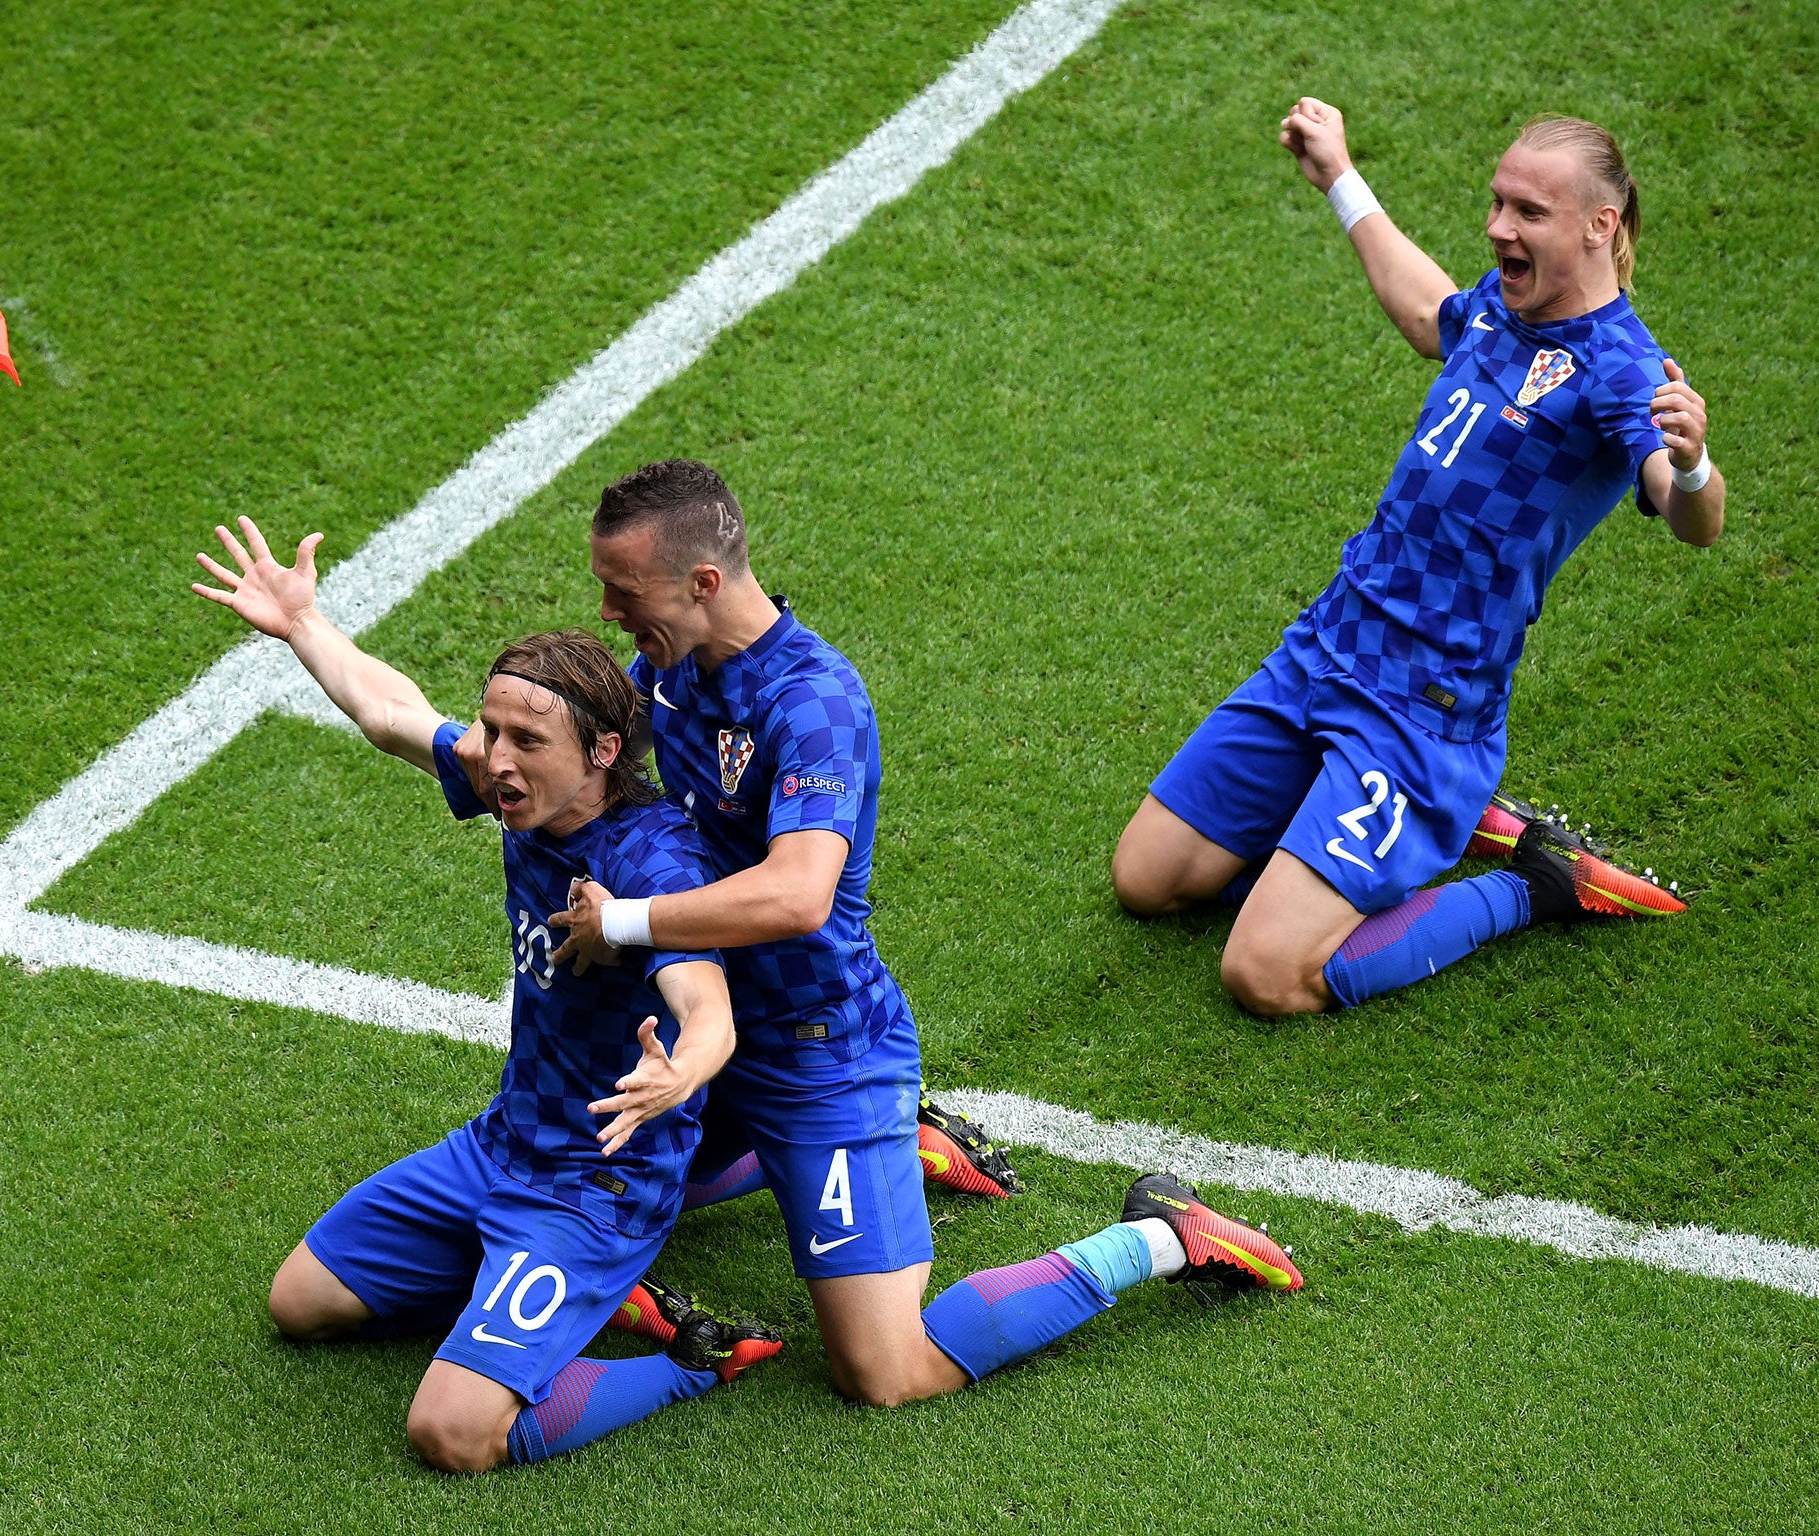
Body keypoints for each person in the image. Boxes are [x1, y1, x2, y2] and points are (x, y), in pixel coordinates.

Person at [520, 462, 1302, 1406]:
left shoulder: (815, 704)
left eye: (623, 591)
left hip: (820, 1053)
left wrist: (626, 921)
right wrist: (321, 643)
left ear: (703, 584)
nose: (605, 611)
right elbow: (565, 748)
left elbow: (799, 894)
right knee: (570, 1183)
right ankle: (890, 1149)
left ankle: (1166, 1235)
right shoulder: (669, 671)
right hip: (704, 1035)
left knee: (884, 1372)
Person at [192, 518, 780, 1472]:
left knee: (453, 1433)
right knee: (301, 1303)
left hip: (594, 1190)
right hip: (501, 1145)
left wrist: (679, 1081)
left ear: (600, 751)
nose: (495, 758)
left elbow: (708, 1012)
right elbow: (389, 712)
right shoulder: (522, 785)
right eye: (491, 731)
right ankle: (524, 1293)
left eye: (524, 741)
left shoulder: (652, 863)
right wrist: (304, 625)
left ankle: (695, 1360)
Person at [1112, 104, 1720, 1015]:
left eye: (1527, 214)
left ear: (1602, 225)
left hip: (1427, 710)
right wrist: (1339, 179)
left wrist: (1693, 460)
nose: (1497, 227)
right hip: (1329, 646)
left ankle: (1537, 884)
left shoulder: (1624, 372)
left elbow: (1692, 519)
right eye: (1498, 203)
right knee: (1146, 880)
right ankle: (1373, 835)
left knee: (1265, 976)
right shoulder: (1504, 309)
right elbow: (1431, 312)